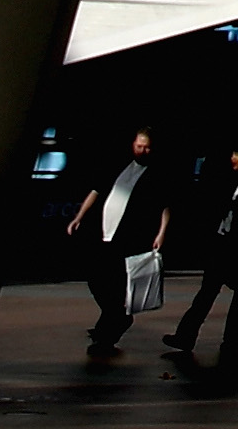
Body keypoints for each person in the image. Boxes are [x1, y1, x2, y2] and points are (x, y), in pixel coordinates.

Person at [161, 141, 238, 373]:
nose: (233, 157)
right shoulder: (231, 179)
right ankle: (186, 336)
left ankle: (232, 341)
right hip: (222, 244)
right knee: (207, 291)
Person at [61, 130, 166, 362]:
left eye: (147, 147)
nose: (142, 151)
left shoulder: (156, 175)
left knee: (114, 282)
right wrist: (79, 217)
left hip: (128, 238)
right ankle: (113, 319)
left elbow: (165, 206)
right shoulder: (118, 166)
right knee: (96, 279)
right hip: (103, 234)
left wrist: (161, 233)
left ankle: (108, 331)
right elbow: (96, 190)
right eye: (139, 146)